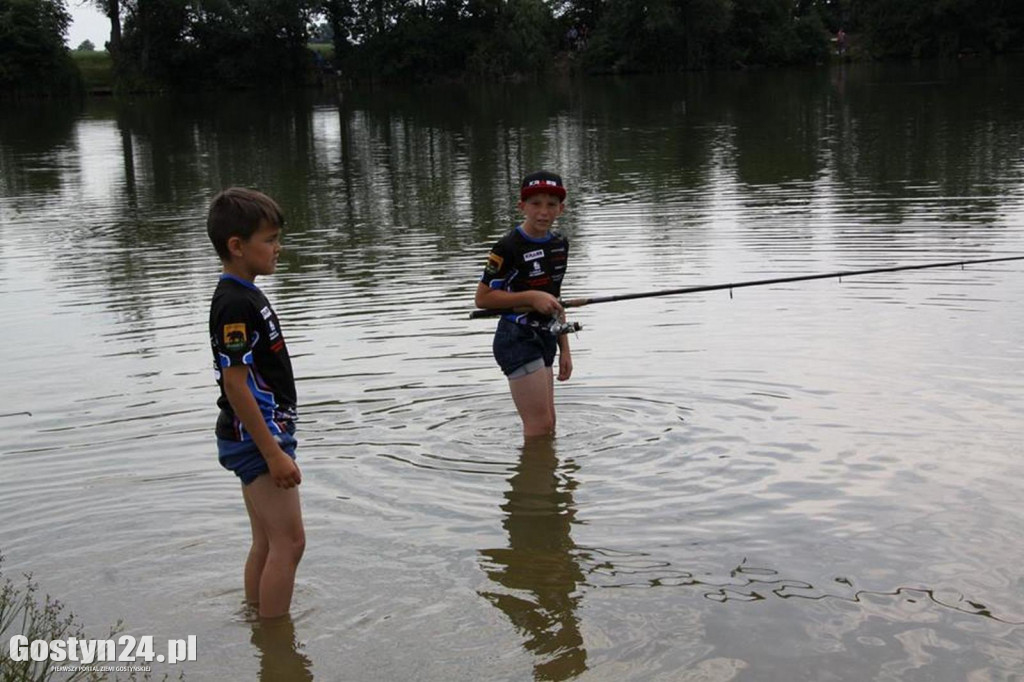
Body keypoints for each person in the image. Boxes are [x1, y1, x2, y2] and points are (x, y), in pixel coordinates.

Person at [207, 187, 305, 620]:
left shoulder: (246, 293)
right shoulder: (234, 302)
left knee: (267, 541)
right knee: (291, 542)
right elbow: (236, 385)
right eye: (269, 239)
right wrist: (273, 453)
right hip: (257, 439)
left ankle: (256, 622)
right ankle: (275, 639)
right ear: (236, 246)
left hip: (256, 434)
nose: (277, 248)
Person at [475, 171, 574, 438]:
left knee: (549, 424)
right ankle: (534, 478)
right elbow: (482, 299)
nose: (543, 212)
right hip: (516, 338)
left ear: (561, 209)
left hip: (547, 336)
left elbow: (556, 299)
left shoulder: (560, 245)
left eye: (551, 204)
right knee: (539, 426)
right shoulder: (507, 247)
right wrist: (531, 297)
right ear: (522, 207)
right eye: (535, 204)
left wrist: (565, 349)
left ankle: (543, 478)